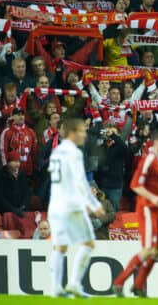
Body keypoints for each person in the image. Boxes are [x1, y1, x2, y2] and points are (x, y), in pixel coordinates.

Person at [47, 118, 105, 298]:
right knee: (88, 243)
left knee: (60, 247)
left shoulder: (57, 151)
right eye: (81, 131)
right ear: (73, 132)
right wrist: (94, 204)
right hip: (71, 206)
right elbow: (80, 182)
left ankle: (56, 288)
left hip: (55, 205)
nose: (84, 135)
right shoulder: (74, 152)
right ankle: (73, 283)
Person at [113, 128, 158, 297]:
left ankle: (138, 285)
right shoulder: (149, 159)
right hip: (147, 208)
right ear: (157, 142)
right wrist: (153, 198)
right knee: (148, 249)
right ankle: (119, 282)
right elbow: (135, 185)